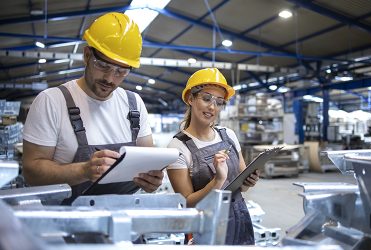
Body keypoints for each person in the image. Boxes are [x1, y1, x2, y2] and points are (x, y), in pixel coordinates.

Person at [22, 12, 163, 203]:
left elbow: (148, 162)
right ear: (87, 55)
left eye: (121, 71)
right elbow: (32, 173)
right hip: (63, 224)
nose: (110, 79)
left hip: (122, 222)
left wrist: (151, 180)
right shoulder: (52, 101)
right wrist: (83, 170)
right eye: (103, 66)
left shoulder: (134, 104)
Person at [166, 68, 259, 245]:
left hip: (239, 219)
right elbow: (188, 203)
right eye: (206, 98)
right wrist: (217, 181)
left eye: (219, 102)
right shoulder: (178, 147)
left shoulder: (229, 135)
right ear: (190, 99)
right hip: (204, 228)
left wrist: (250, 180)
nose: (212, 107)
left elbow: (242, 187)